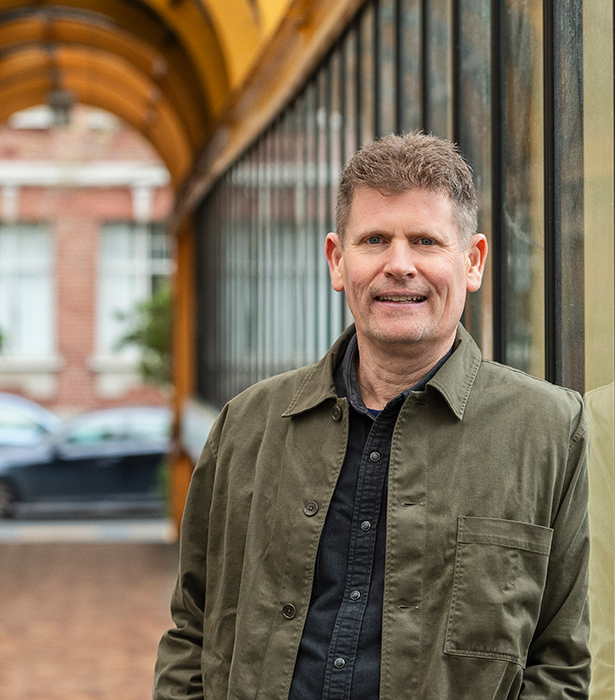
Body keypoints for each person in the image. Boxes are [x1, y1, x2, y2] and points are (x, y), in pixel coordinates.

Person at [152, 132, 591, 700]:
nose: (399, 265)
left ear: (473, 261)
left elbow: (560, 664)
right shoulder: (247, 425)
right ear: (338, 261)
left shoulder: (550, 431)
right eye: (375, 240)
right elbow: (192, 628)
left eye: (426, 242)